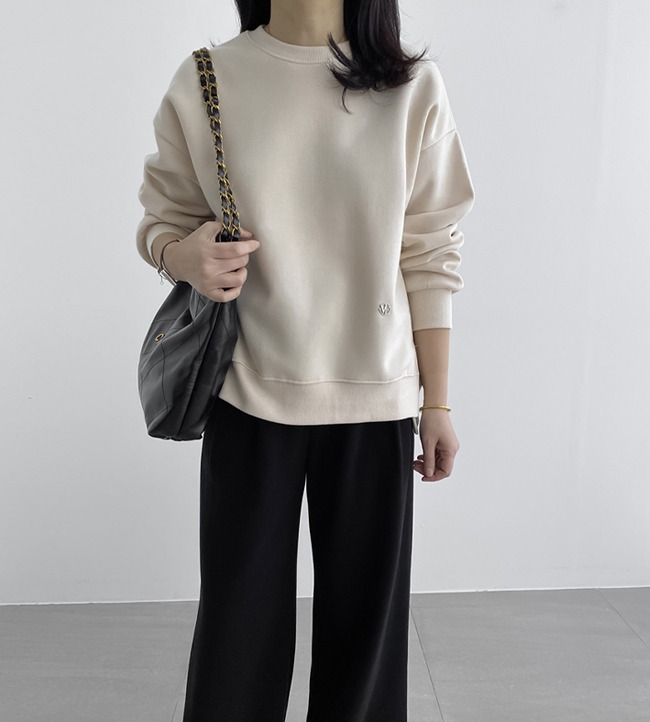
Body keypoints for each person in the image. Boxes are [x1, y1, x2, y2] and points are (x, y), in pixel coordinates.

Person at [136, 0, 475, 719]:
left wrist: (438, 403)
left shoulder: (410, 88)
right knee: (237, 636)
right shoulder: (209, 77)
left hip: (377, 398)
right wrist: (182, 257)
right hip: (247, 390)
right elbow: (162, 220)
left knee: (366, 648)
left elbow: (431, 254)